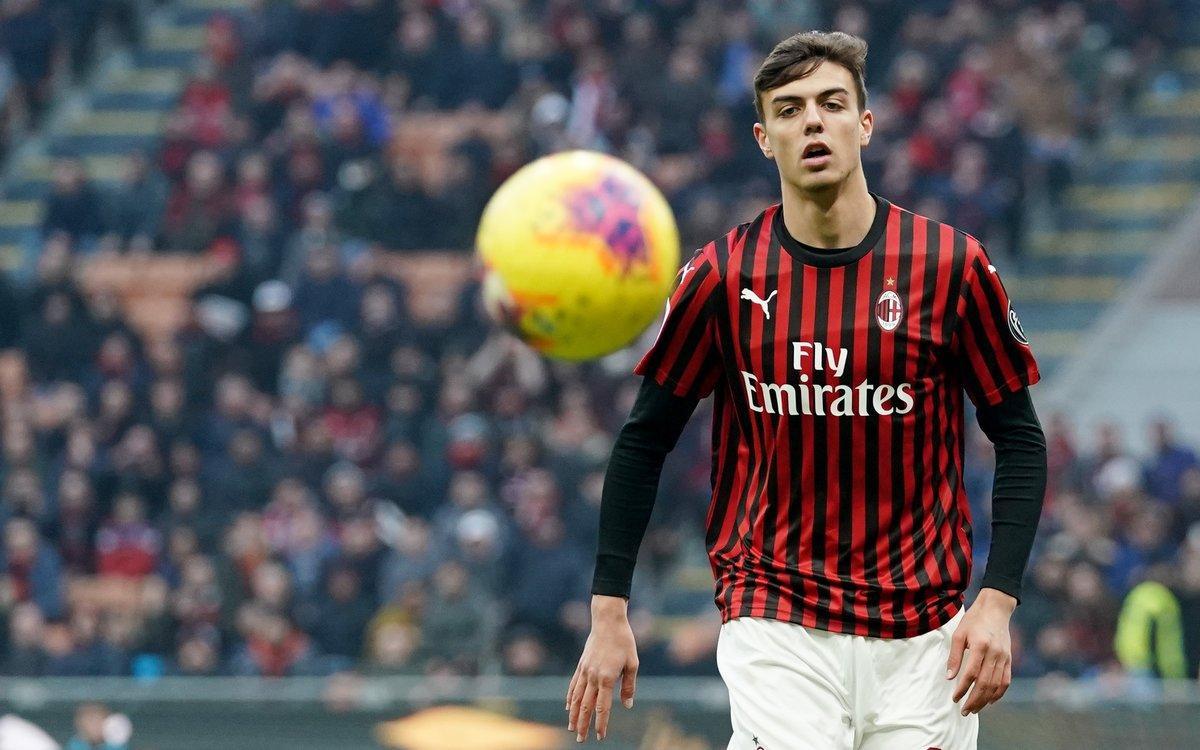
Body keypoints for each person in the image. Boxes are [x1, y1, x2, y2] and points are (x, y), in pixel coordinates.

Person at [566, 30, 1048, 749]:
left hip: (926, 637)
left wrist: (997, 601)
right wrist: (609, 614)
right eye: (790, 110)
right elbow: (643, 442)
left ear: (866, 124)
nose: (813, 121)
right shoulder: (723, 276)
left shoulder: (950, 266)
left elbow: (1019, 437)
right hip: (777, 617)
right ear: (764, 139)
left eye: (831, 103)